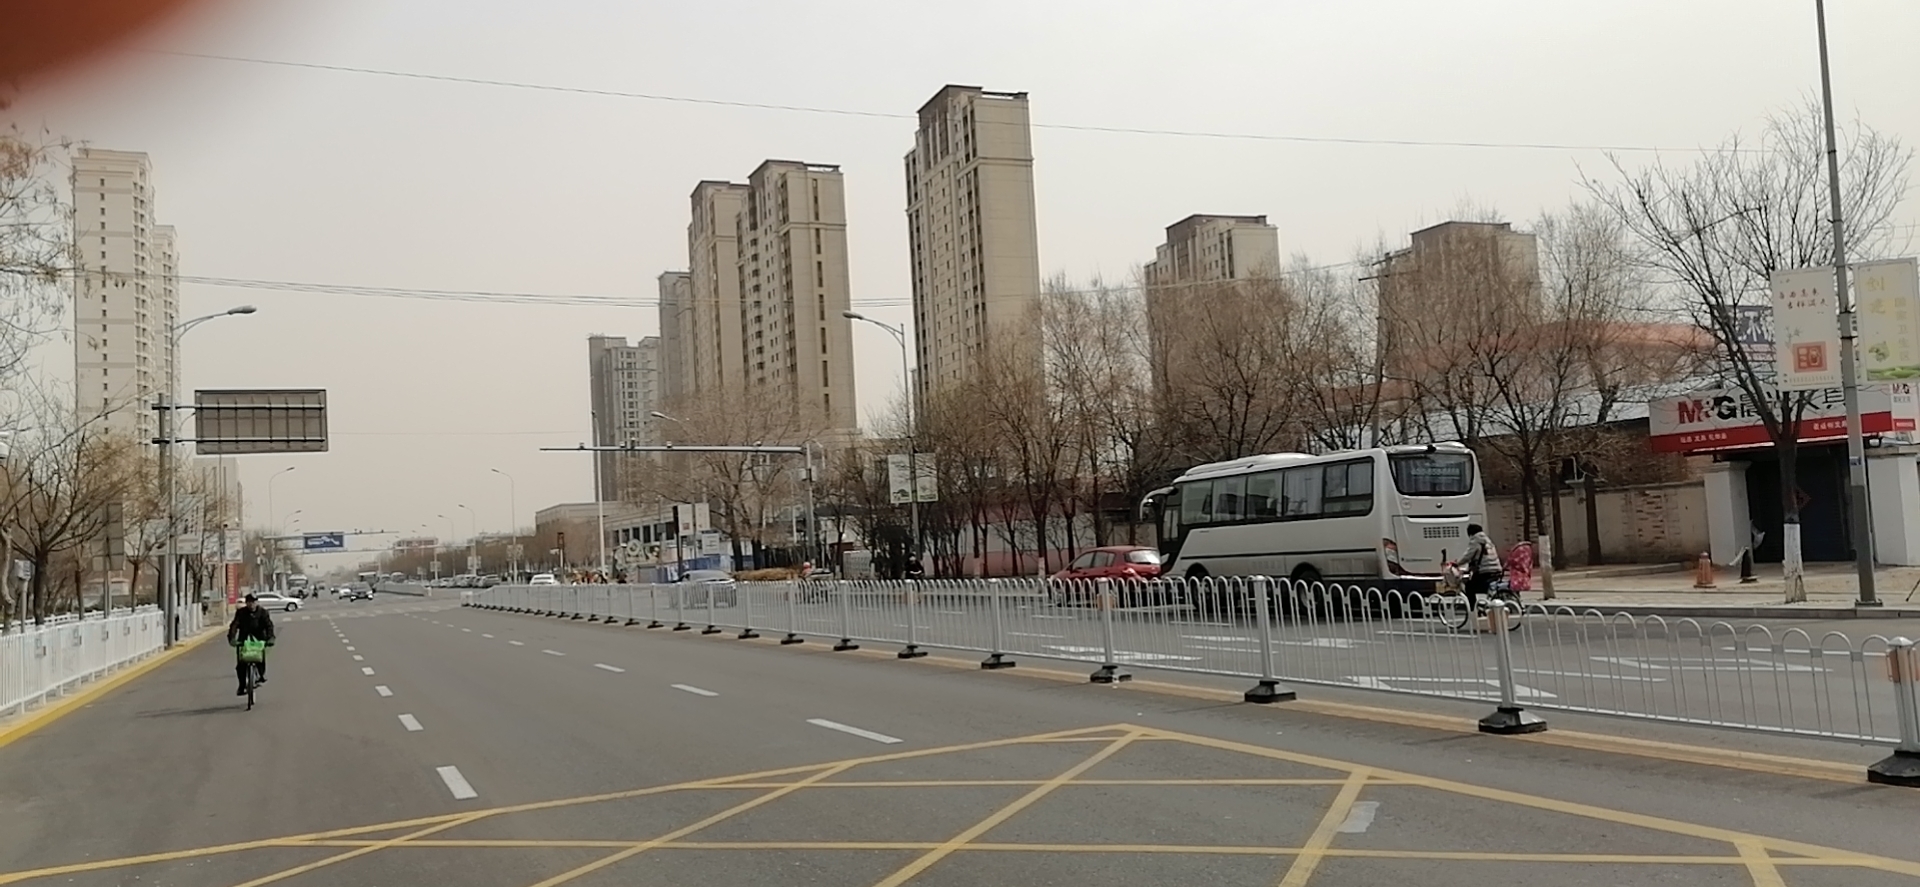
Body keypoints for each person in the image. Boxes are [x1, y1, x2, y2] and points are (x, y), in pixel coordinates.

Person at [227, 592, 276, 695]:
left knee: (260, 659)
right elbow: (234, 625)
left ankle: (261, 675)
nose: (251, 604)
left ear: (257, 602)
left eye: (253, 602)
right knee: (241, 664)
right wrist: (232, 638)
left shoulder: (263, 612)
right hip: (244, 640)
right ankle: (242, 686)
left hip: (259, 639)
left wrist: (271, 638)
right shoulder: (241, 612)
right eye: (249, 602)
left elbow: (269, 625)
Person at [1450, 524, 1505, 614]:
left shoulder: (1475, 541)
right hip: (1497, 570)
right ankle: (1483, 605)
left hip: (1486, 571)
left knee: (1469, 587)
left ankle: (1473, 609)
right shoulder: (1488, 541)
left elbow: (1468, 555)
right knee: (1480, 586)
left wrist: (1457, 563)